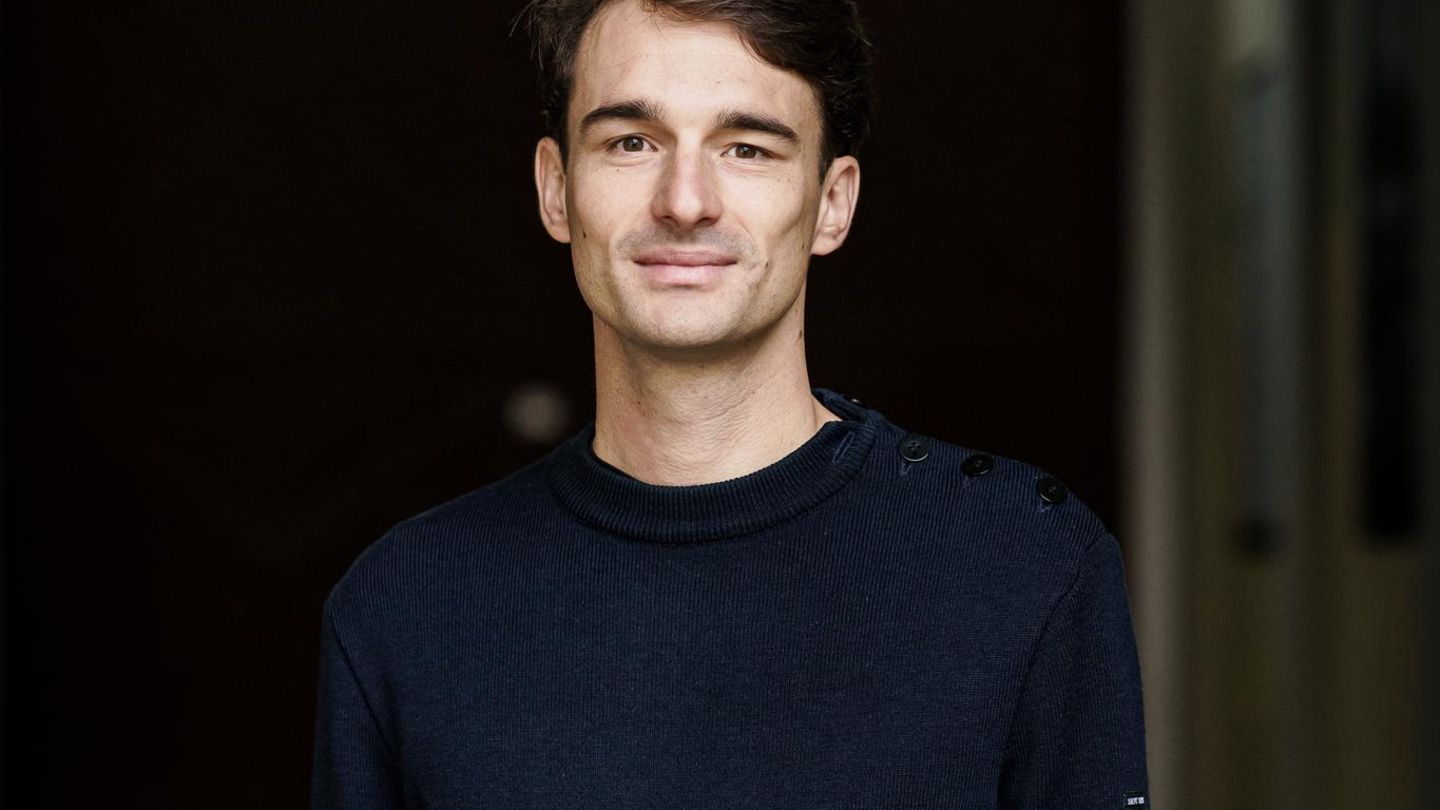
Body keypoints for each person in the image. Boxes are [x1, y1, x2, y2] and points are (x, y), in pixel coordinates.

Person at [310, 0, 1150, 807]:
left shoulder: (1026, 565)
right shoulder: (406, 604)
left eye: (747, 148)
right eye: (632, 142)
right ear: (556, 188)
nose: (685, 201)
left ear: (832, 203)